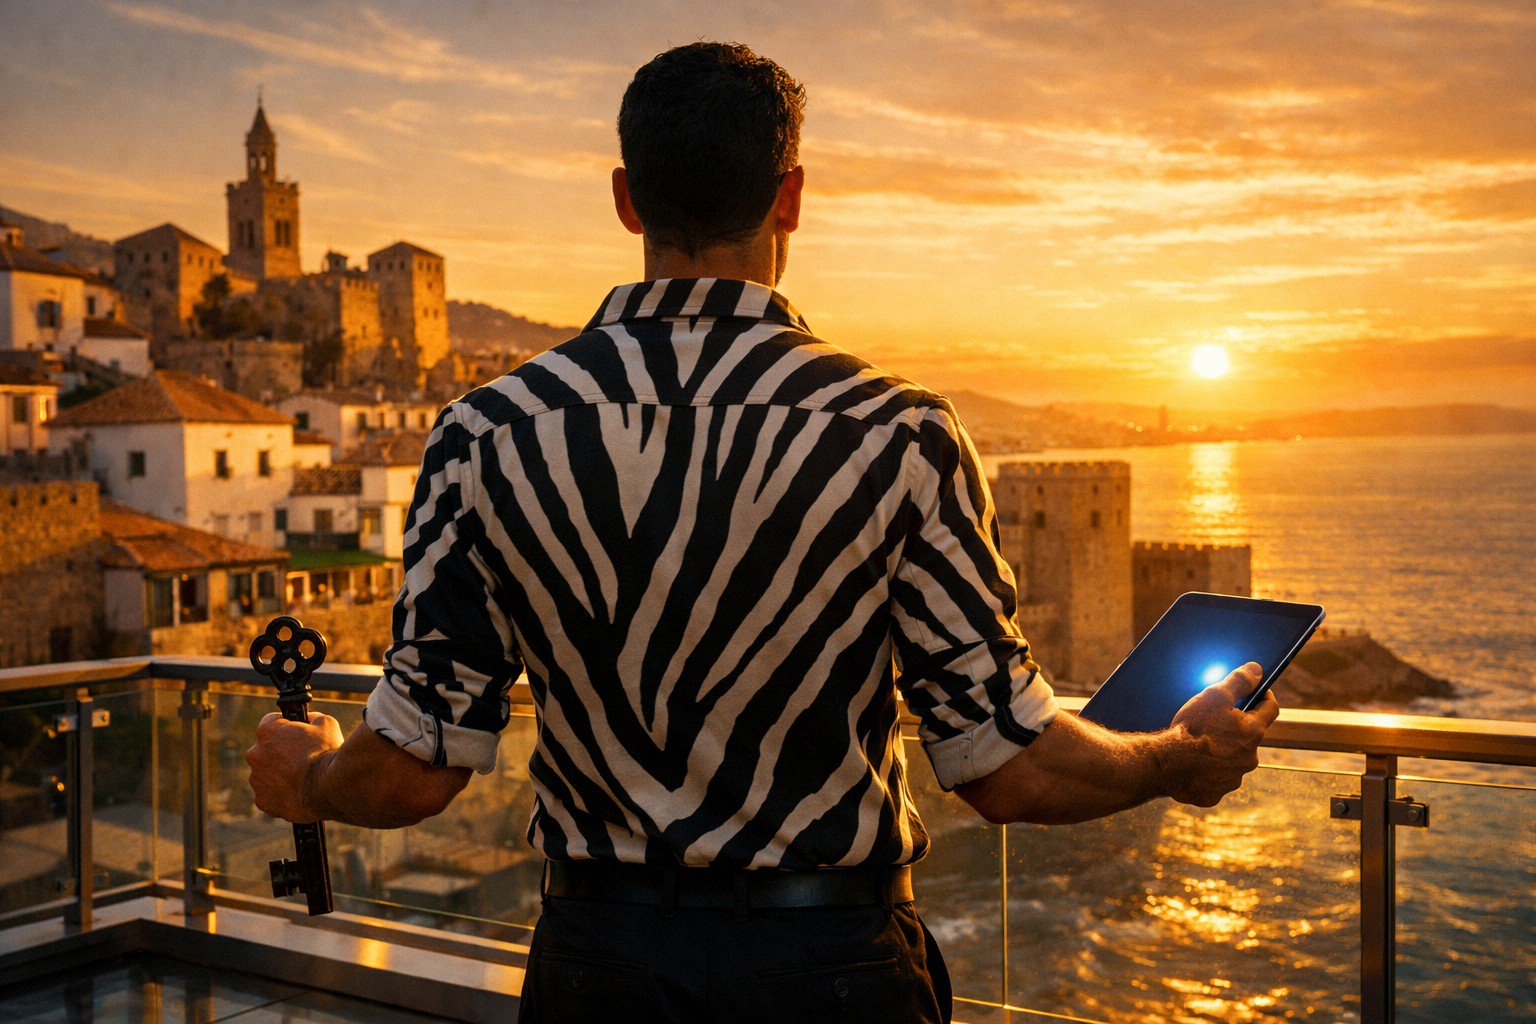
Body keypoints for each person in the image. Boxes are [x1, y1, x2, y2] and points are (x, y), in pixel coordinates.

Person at [246, 41, 1280, 1023]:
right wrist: (1168, 757)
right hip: (833, 971)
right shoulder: (898, 435)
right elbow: (1003, 765)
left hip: (598, 972)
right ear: (791, 196)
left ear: (625, 199)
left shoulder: (488, 436)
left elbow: (417, 764)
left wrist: (313, 774)